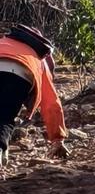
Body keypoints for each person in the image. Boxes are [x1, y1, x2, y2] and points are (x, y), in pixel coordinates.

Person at [0, 24, 67, 167]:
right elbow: (51, 102)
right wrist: (57, 138)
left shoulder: (3, 42)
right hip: (19, 76)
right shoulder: (38, 58)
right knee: (4, 116)